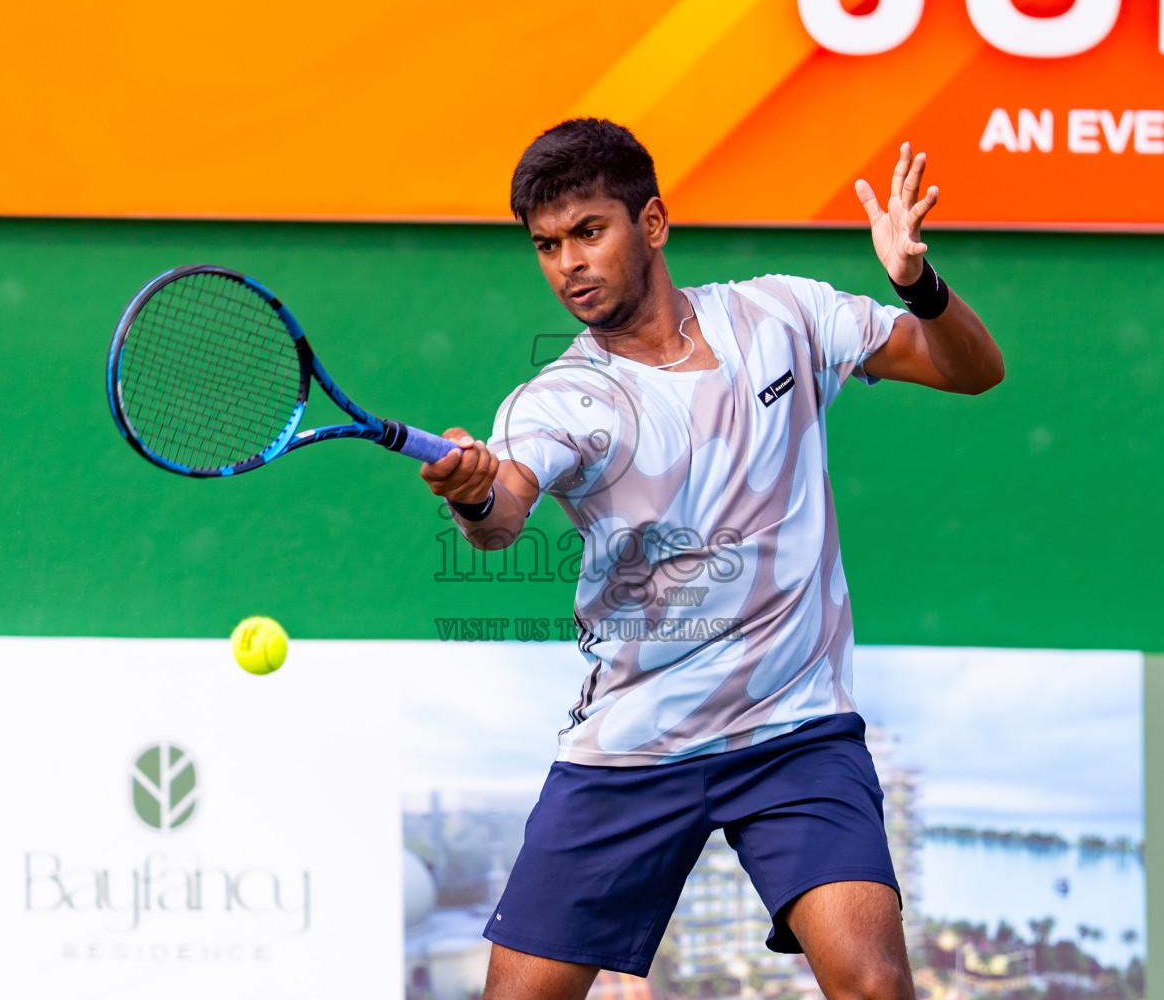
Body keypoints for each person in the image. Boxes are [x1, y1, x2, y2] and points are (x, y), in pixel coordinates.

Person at [418, 118, 1003, 1000]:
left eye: (588, 231)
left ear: (651, 224)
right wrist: (471, 491)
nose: (568, 263)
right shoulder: (563, 398)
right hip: (632, 743)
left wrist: (920, 287)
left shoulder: (784, 316)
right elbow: (504, 510)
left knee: (876, 986)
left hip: (793, 730)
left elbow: (971, 370)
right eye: (546, 245)